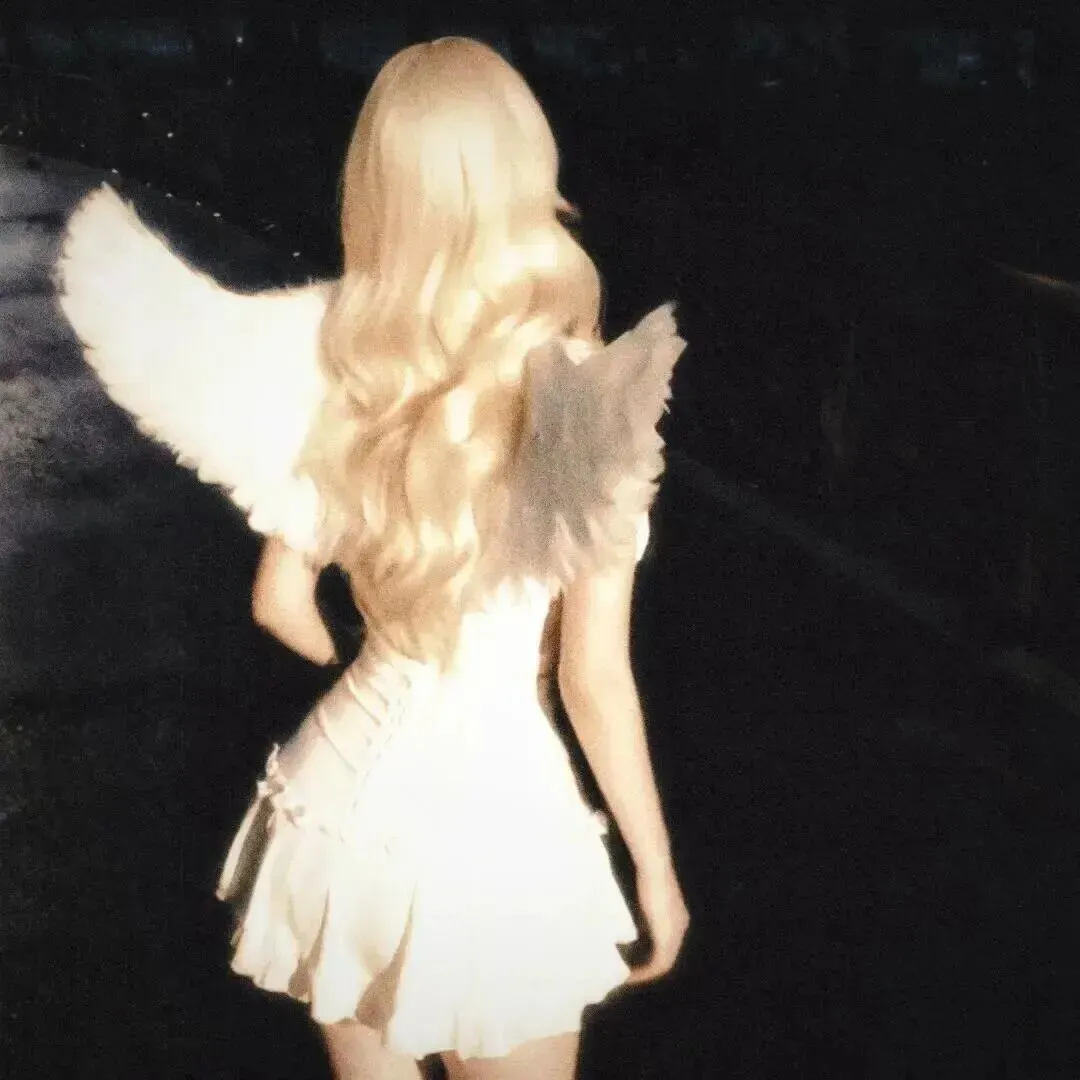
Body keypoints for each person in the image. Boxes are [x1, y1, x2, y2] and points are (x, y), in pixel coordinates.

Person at [58, 36, 688, 1080]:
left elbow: (279, 601)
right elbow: (591, 677)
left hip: (338, 819)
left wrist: (388, 655)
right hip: (499, 836)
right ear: (524, 170)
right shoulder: (587, 396)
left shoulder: (342, 360)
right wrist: (656, 873)